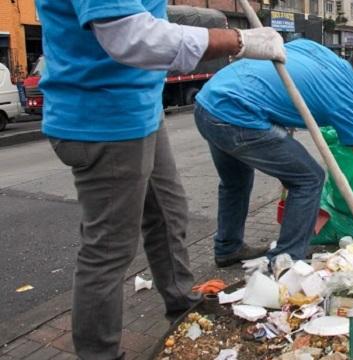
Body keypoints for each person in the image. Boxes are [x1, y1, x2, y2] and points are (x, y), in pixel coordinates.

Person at [36, 1, 286, 359]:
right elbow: (131, 37)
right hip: (105, 122)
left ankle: (182, 303)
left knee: (168, 215)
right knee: (108, 249)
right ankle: (98, 354)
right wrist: (237, 40)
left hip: (139, 110)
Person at [193, 40, 353, 264]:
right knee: (309, 178)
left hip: (209, 100)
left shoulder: (321, 53)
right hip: (236, 115)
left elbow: (286, 59)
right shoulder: (345, 97)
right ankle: (285, 261)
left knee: (235, 182)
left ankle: (228, 247)